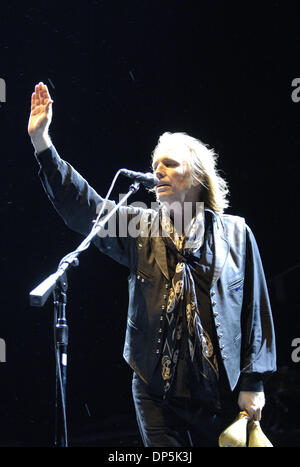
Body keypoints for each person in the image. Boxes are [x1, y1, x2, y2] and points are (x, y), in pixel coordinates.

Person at [28, 82, 276, 447]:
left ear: (196, 176)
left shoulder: (236, 233)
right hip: (155, 390)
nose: (158, 170)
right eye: (154, 164)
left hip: (224, 390)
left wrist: (254, 384)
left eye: (170, 164)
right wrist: (42, 143)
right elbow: (86, 209)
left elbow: (256, 312)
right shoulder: (139, 226)